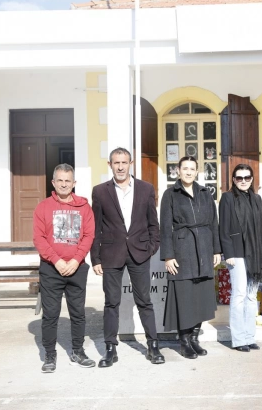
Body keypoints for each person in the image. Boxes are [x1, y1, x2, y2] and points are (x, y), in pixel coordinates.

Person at [91, 147, 164, 367]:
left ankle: (153, 346)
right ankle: (110, 349)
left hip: (140, 252)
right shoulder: (100, 191)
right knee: (111, 303)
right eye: (116, 163)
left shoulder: (145, 188)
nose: (120, 167)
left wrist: (151, 247)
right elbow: (96, 228)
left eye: (124, 162)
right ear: (110, 165)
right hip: (111, 254)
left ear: (130, 164)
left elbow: (153, 223)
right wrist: (95, 258)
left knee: (144, 301)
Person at [33, 164, 96, 372]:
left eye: (67, 180)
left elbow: (88, 236)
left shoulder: (84, 208)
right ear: (53, 182)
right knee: (50, 314)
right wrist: (57, 261)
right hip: (51, 269)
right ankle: (50, 356)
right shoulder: (43, 207)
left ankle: (78, 351)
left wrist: (76, 260)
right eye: (59, 180)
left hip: (76, 268)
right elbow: (39, 239)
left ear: (74, 183)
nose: (63, 184)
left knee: (78, 313)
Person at [159, 156, 221, 359]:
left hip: (204, 249)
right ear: (178, 170)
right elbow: (165, 227)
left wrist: (216, 250)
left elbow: (214, 223)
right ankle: (184, 340)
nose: (188, 172)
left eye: (192, 169)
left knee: (201, 297)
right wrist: (168, 256)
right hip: (182, 249)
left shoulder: (205, 193)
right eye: (184, 168)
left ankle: (194, 338)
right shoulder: (170, 194)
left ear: (197, 172)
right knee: (185, 297)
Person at [219, 164, 262, 352]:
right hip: (237, 252)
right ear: (233, 179)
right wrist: (228, 253)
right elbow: (223, 227)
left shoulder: (256, 199)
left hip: (256, 252)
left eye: (247, 178)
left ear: (251, 179)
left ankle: (250, 337)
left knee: (251, 296)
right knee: (240, 294)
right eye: (239, 178)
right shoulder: (227, 198)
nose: (243, 181)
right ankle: (239, 339)